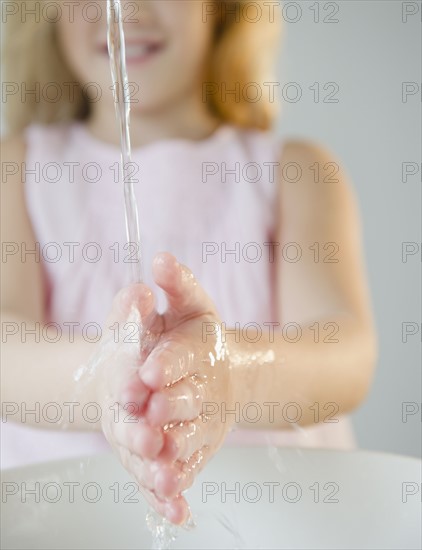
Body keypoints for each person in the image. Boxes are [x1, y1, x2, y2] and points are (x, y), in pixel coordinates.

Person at [1, 0, 377, 524]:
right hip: (68, 525)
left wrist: (234, 373)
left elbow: (346, 354)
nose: (125, 10)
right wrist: (100, 381)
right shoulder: (17, 172)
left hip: (279, 524)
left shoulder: (296, 175)